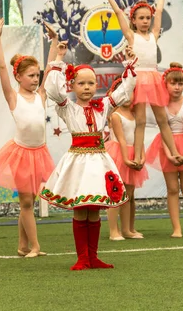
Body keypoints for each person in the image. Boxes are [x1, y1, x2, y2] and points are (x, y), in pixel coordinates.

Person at [40, 41, 138, 270]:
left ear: (96, 85)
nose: (86, 87)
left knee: (95, 210)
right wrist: (59, 60)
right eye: (81, 83)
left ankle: (93, 257)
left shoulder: (103, 105)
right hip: (78, 161)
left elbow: (125, 90)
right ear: (72, 85)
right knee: (80, 208)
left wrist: (131, 65)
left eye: (91, 83)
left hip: (98, 161)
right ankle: (82, 257)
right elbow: (53, 90)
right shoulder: (67, 107)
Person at [0, 19, 56, 258]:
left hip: (39, 152)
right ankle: (35, 246)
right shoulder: (13, 97)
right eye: (31, 76)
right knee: (26, 203)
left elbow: (52, 66)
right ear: (19, 77)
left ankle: (22, 246)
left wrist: (54, 41)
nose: (36, 80)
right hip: (21, 154)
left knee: (29, 203)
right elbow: (3, 68)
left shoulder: (42, 95)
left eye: (37, 75)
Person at [104, 0, 181, 169]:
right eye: (141, 18)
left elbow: (160, 11)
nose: (146, 21)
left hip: (153, 79)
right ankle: (139, 156)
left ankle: (174, 152)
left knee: (162, 119)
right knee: (140, 120)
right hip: (138, 79)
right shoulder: (132, 37)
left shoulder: (154, 35)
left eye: (148, 18)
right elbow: (119, 14)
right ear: (134, 21)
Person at [146, 63, 183, 238]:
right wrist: (170, 154)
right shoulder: (161, 105)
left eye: (180, 84)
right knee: (172, 188)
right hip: (166, 145)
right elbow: (163, 129)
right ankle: (177, 229)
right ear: (166, 84)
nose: (177, 87)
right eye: (173, 83)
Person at [105, 77, 148, 241]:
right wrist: (125, 159)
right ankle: (113, 231)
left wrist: (141, 156)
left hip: (132, 153)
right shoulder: (116, 115)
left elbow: (139, 138)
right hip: (119, 154)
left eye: (131, 93)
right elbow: (121, 139)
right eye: (124, 94)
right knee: (117, 194)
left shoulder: (135, 115)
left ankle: (128, 229)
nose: (127, 97)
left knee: (129, 195)